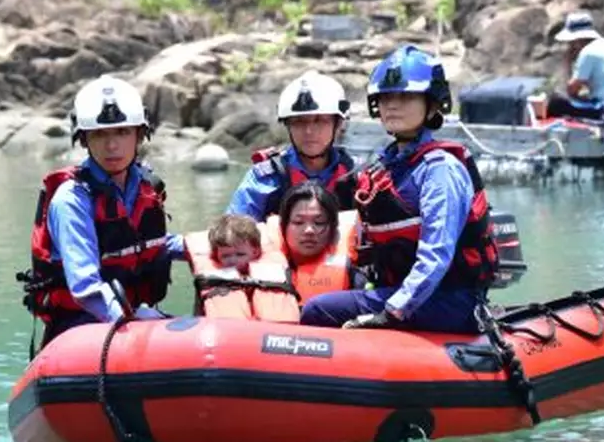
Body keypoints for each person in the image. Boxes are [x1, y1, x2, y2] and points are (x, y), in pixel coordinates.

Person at [298, 44, 500, 333]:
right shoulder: (386, 166)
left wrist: (393, 311)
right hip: (408, 294)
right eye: (386, 97)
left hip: (450, 300)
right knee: (317, 299)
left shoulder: (440, 169)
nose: (392, 105)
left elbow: (436, 256)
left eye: (405, 97)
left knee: (318, 310)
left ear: (432, 104)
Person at [18, 75, 186, 350]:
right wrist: (131, 322)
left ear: (139, 134)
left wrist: (199, 246)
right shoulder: (72, 200)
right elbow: (86, 288)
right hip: (80, 327)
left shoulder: (147, 186)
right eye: (100, 134)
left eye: (122, 132)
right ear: (84, 139)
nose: (112, 145)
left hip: (134, 315)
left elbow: (144, 246)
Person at [226, 70, 357, 221]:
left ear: (338, 123)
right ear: (288, 125)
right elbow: (233, 229)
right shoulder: (265, 179)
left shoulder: (357, 175)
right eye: (299, 122)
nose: (309, 131)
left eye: (320, 120)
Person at [274, 182, 362, 307]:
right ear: (283, 226)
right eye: (298, 222)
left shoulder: (355, 279)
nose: (309, 230)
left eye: (319, 222)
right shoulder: (250, 259)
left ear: (333, 229)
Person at [545, 11, 604, 120]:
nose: (570, 46)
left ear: (577, 40)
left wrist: (567, 62)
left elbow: (571, 91)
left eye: (571, 42)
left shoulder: (588, 52)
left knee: (556, 103)